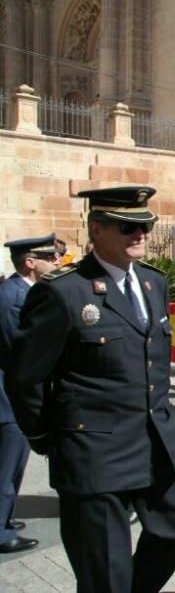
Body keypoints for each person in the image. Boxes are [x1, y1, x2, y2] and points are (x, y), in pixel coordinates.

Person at [6, 186, 175, 592]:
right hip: (94, 452)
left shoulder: (152, 283)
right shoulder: (63, 292)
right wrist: (47, 438)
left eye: (145, 226)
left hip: (156, 442)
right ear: (96, 230)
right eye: (127, 227)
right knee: (104, 575)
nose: (139, 235)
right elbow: (25, 376)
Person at [0, 234, 57, 554]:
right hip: (8, 397)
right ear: (30, 262)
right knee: (8, 464)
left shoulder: (21, 290)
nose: (55, 261)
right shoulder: (13, 297)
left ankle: (5, 517)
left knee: (12, 464)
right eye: (49, 257)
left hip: (11, 393)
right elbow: (18, 353)